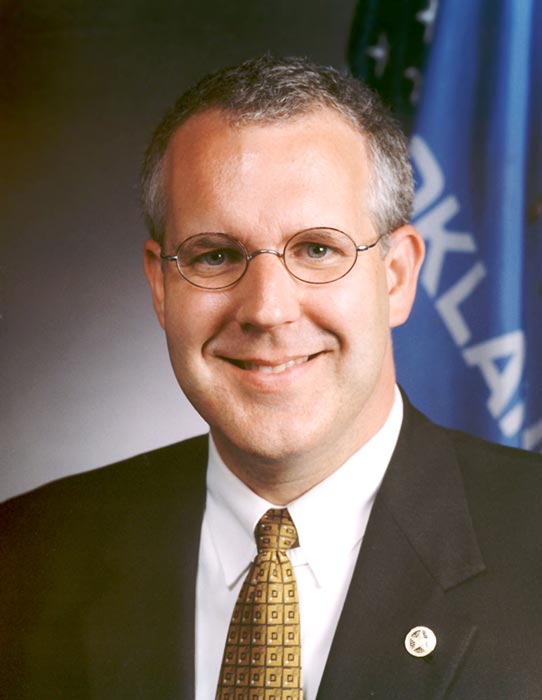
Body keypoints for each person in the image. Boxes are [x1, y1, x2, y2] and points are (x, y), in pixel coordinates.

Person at [1, 55, 541, 700]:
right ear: (161, 285)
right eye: (215, 255)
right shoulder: (23, 560)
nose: (266, 309)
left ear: (396, 276)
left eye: (317, 249)